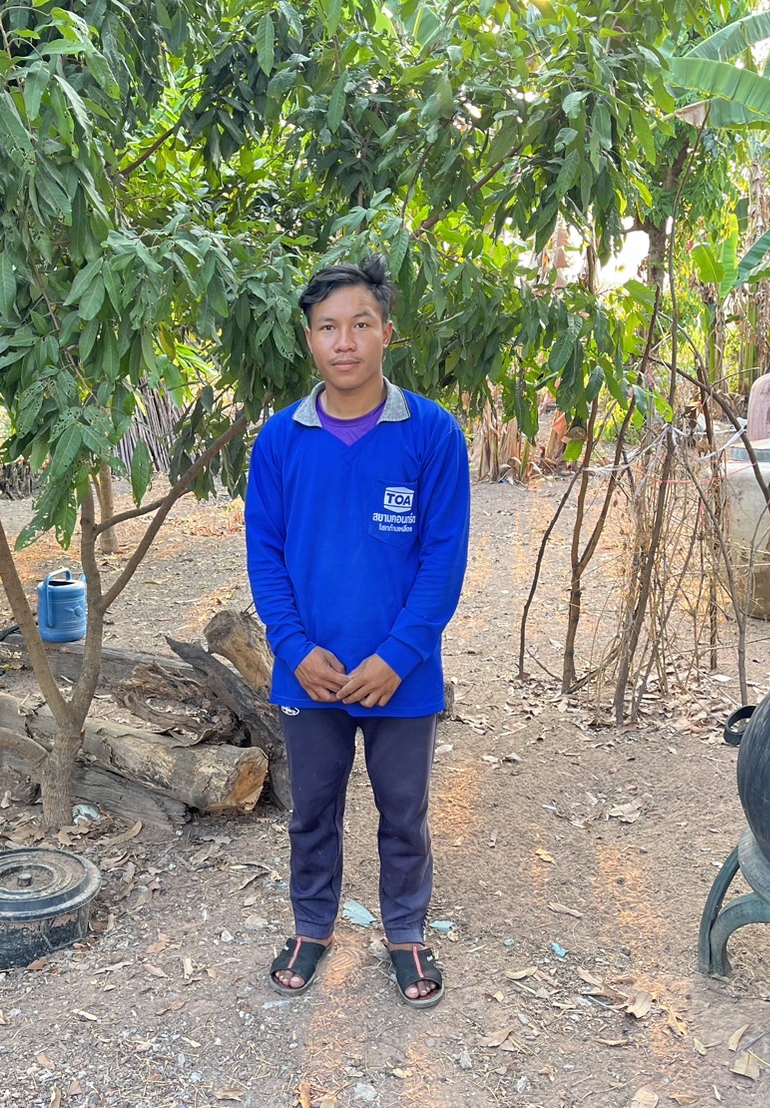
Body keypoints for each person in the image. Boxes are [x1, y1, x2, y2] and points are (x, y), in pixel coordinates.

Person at [243, 256, 470, 1008]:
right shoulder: (281, 441)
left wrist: (397, 657)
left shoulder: (431, 434)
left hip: (402, 676)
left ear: (386, 334)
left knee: (404, 813)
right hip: (308, 672)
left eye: (360, 324)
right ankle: (312, 926)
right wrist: (293, 649)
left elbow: (442, 560)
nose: (344, 341)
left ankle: (405, 931)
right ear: (309, 340)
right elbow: (265, 555)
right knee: (312, 811)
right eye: (327, 327)